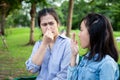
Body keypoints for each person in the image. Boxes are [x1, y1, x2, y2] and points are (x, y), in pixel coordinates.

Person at [67, 13, 119, 80]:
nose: (79, 35)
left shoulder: (107, 64)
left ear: (93, 32)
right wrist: (73, 55)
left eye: (81, 30)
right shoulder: (86, 58)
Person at [25, 8, 71, 80]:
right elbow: (32, 69)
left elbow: (64, 75)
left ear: (58, 24)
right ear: (40, 27)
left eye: (51, 23)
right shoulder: (39, 44)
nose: (48, 28)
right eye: (44, 24)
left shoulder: (67, 44)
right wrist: (44, 44)